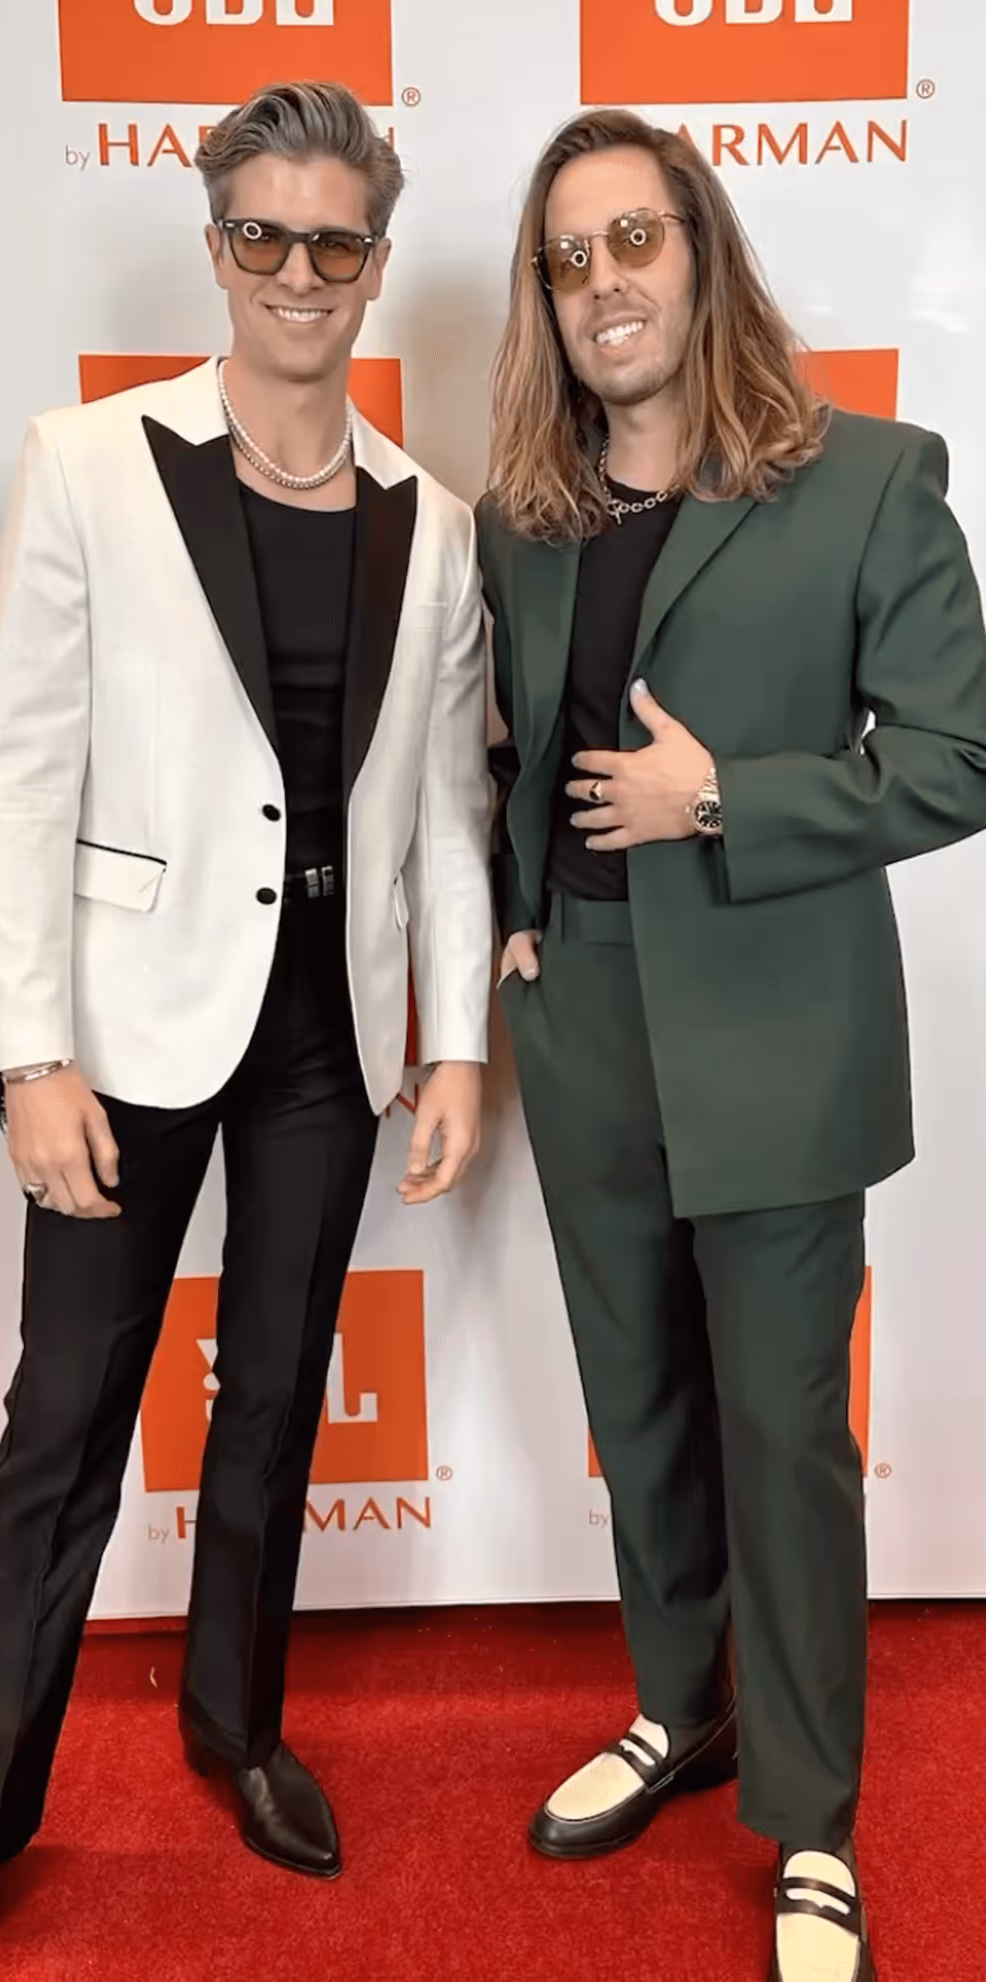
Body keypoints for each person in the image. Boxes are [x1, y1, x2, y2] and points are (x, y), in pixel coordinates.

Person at [0, 81, 491, 1980]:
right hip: (122, 1037)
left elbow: (454, 817)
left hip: (327, 1038)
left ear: (375, 265)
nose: (301, 274)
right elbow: (13, 776)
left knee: (277, 1399)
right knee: (59, 1421)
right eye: (264, 237)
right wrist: (26, 1052)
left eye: (336, 243)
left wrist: (455, 1039)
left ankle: (237, 1725)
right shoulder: (87, 463)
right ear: (216, 246)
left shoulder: (437, 520)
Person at [479, 106, 986, 1982]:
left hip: (778, 1023)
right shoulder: (521, 513)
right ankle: (680, 1705)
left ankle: (814, 1817)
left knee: (783, 1429)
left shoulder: (867, 478)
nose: (603, 282)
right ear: (546, 301)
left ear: (699, 253)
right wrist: (517, 906)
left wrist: (723, 802)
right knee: (646, 1406)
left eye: (633, 241)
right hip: (590, 1024)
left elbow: (956, 758)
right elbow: (507, 745)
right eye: (567, 258)